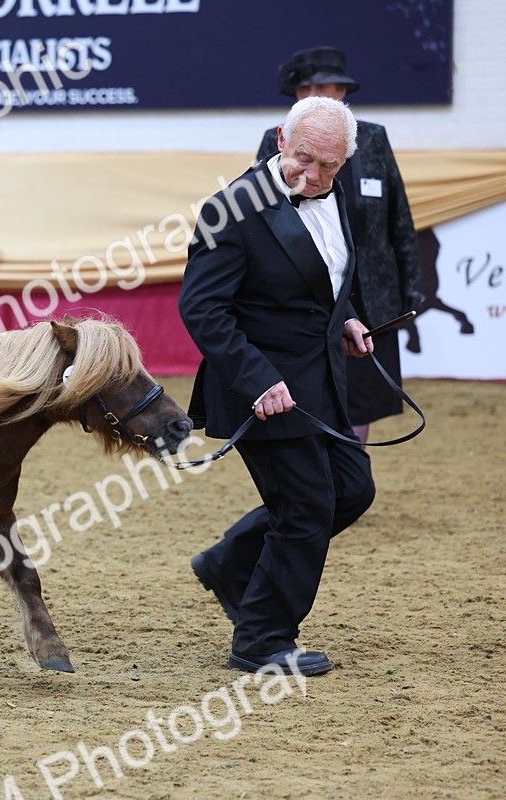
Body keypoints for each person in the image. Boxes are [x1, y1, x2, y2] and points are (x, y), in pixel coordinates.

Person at [179, 96, 377, 676]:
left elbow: (320, 280)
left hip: (322, 384)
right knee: (306, 508)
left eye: (329, 167)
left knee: (351, 490)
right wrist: (258, 378)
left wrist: (344, 319)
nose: (313, 177)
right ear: (280, 142)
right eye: (304, 160)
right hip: (260, 388)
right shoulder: (232, 209)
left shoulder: (336, 193)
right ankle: (262, 640)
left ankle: (231, 564)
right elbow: (203, 309)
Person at [257, 47, 420, 444]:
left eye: (325, 86)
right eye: (307, 88)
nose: (317, 94)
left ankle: (351, 470)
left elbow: (399, 217)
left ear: (342, 92)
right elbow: (263, 222)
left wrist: (410, 284)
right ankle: (324, 475)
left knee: (363, 394)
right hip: (309, 292)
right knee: (311, 390)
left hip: (371, 294)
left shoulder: (375, 138)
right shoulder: (274, 142)